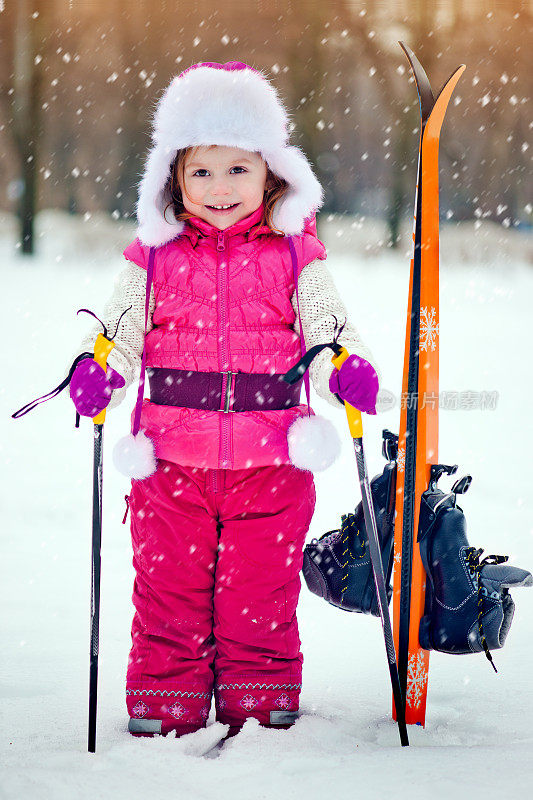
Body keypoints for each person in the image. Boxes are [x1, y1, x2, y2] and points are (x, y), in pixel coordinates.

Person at [71, 61, 380, 738]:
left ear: (270, 173)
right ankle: (165, 698)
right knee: (167, 591)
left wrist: (346, 372)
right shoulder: (149, 258)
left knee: (258, 592)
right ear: (173, 180)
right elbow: (117, 339)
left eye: (237, 169)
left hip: (271, 465)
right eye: (200, 172)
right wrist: (100, 374)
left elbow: (330, 338)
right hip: (169, 467)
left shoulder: (299, 256)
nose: (218, 188)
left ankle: (257, 691)